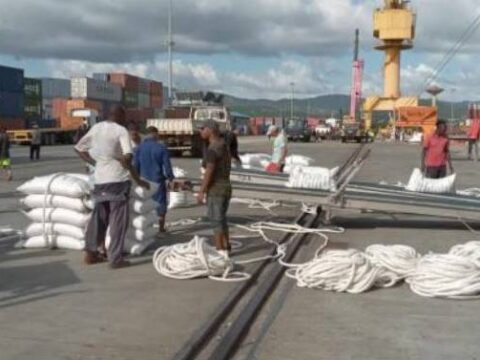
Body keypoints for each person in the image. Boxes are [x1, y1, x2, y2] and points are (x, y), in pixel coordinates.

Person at [75, 105, 149, 269]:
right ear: (120, 115)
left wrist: (95, 162)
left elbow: (79, 148)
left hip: (100, 181)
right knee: (118, 221)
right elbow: (128, 158)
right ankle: (115, 258)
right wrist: (139, 180)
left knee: (98, 218)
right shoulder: (121, 130)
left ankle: (90, 253)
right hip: (117, 181)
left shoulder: (96, 128)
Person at [196, 119, 232, 258]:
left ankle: (220, 251)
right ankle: (227, 246)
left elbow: (209, 171)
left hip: (216, 188)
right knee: (222, 219)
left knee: (216, 220)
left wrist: (201, 191)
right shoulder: (223, 145)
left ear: (210, 130)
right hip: (226, 186)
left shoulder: (213, 149)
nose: (200, 131)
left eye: (202, 128)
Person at [134, 126, 175, 236]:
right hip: (157, 181)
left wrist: (136, 180)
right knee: (160, 204)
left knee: (145, 206)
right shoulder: (161, 148)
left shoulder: (139, 148)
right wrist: (171, 179)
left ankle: (147, 229)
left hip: (143, 182)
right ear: (155, 134)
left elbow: (135, 166)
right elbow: (167, 166)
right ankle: (161, 230)